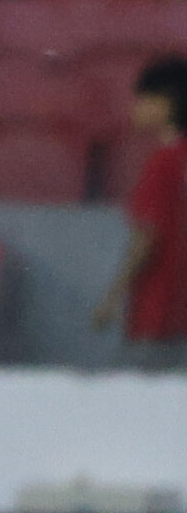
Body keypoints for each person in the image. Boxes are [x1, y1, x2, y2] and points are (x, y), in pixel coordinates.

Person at [94, 55, 187, 367]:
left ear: (166, 104)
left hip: (157, 314)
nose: (135, 107)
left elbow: (147, 235)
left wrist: (113, 294)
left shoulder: (161, 164)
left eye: (143, 99)